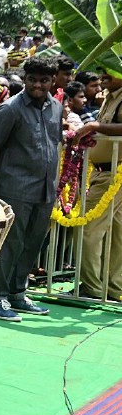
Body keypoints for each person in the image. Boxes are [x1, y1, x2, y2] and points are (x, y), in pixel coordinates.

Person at [0, 56, 62, 320]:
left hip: (45, 189)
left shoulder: (56, 107)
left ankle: (17, 294)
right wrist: (2, 176)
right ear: (25, 79)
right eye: (32, 79)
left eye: (44, 80)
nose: (38, 85)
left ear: (52, 81)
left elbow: (54, 142)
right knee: (11, 243)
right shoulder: (11, 109)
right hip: (15, 187)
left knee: (32, 243)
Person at [77, 71, 122, 300]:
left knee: (90, 229)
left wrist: (96, 126)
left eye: (110, 70)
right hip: (106, 172)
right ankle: (111, 287)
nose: (103, 75)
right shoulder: (110, 96)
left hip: (114, 174)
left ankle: (95, 288)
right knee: (114, 232)